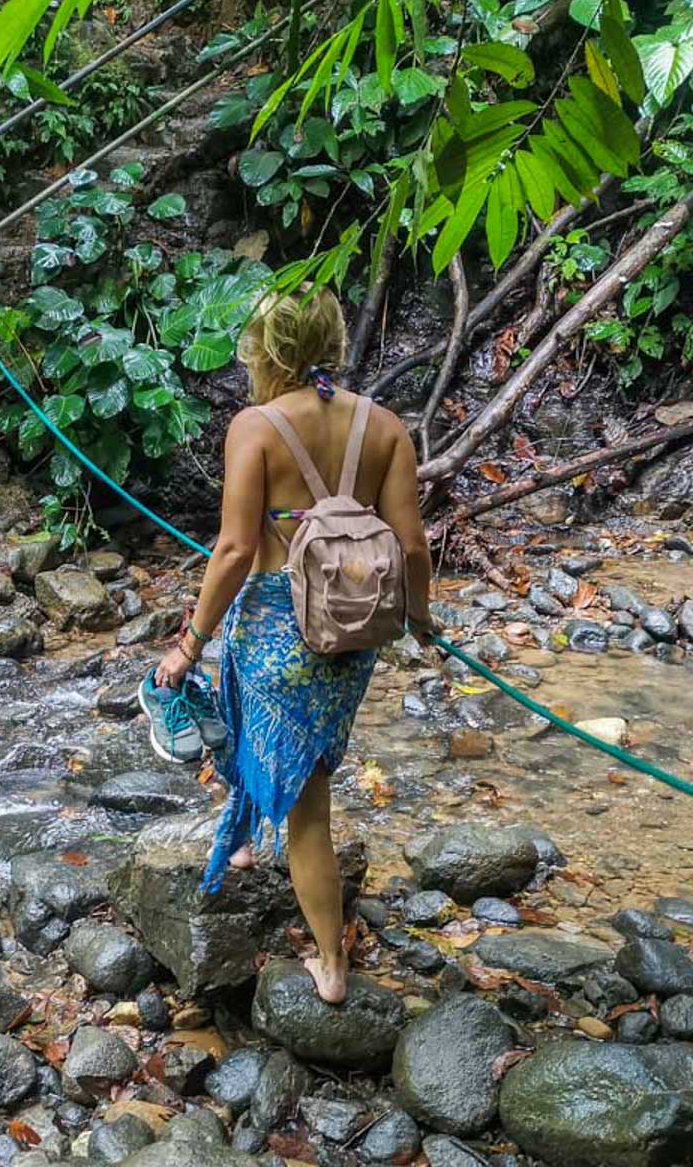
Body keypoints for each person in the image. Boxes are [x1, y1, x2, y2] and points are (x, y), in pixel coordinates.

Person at [150, 284, 434, 1003]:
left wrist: (190, 641)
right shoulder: (386, 427)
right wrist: (421, 620)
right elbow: (412, 548)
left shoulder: (256, 426)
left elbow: (235, 549)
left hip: (276, 620)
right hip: (350, 632)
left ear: (264, 348)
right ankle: (244, 840)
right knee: (265, 732)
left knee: (307, 811)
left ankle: (332, 968)